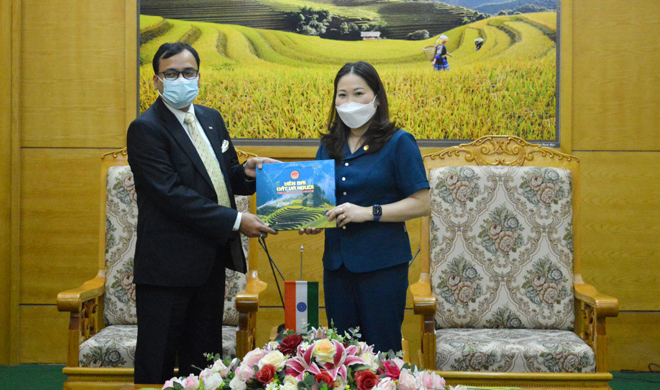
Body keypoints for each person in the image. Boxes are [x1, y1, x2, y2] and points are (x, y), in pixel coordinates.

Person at [126, 42, 278, 385]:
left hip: (208, 262)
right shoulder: (146, 128)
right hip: (166, 270)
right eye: (171, 74)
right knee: (157, 363)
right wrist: (238, 221)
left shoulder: (210, 118)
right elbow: (171, 195)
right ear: (156, 81)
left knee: (204, 364)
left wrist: (248, 172)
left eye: (188, 72)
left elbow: (223, 178)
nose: (181, 79)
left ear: (199, 75)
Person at [300, 61, 430, 353]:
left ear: (377, 98)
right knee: (341, 358)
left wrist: (368, 212)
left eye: (359, 93)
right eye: (342, 95)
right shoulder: (329, 145)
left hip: (382, 267)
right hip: (337, 267)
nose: (349, 102)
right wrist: (312, 218)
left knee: (382, 356)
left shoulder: (399, 142)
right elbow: (320, 200)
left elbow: (422, 203)